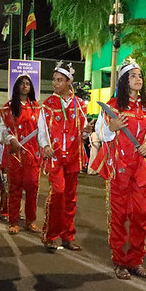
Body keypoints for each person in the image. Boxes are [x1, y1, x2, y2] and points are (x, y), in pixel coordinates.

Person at [93, 58, 146, 280]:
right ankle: (120, 261)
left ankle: (136, 260)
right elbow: (101, 133)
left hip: (140, 168)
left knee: (140, 215)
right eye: (133, 76)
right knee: (119, 216)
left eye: (139, 76)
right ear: (123, 80)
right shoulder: (112, 106)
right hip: (118, 167)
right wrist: (112, 127)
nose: (138, 79)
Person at [39, 62, 89, 251]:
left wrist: (86, 132)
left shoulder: (79, 105)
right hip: (56, 156)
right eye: (54, 80)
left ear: (69, 82)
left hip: (74, 157)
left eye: (60, 80)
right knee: (58, 193)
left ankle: (68, 236)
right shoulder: (48, 104)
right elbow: (41, 129)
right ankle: (50, 235)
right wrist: (45, 145)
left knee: (71, 197)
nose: (55, 83)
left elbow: (82, 132)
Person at [0, 74, 43, 235]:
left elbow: (43, 132)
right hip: (15, 155)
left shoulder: (37, 108)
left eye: (28, 83)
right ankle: (14, 221)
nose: (25, 85)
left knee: (33, 189)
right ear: (17, 86)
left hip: (32, 155)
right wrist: (10, 139)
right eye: (22, 83)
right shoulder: (8, 107)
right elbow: (0, 130)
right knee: (14, 189)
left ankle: (30, 221)